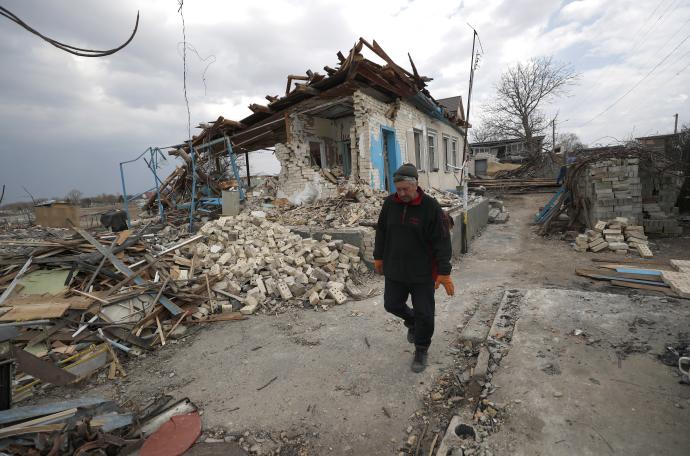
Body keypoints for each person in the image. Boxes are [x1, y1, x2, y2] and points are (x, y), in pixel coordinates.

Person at [374, 163, 454, 373]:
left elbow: (442, 241)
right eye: (397, 189)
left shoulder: (431, 207)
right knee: (391, 305)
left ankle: (421, 349)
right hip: (395, 270)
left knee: (425, 314)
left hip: (422, 273)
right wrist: (378, 257)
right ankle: (411, 321)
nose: (401, 193)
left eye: (405, 189)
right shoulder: (389, 204)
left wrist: (444, 271)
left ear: (415, 185)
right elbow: (381, 231)